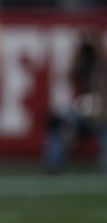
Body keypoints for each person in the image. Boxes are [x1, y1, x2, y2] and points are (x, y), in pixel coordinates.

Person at [44, 30, 107, 174]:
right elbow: (64, 75)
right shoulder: (84, 65)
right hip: (86, 114)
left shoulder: (103, 68)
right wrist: (77, 54)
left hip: (102, 118)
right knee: (57, 122)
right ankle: (53, 168)